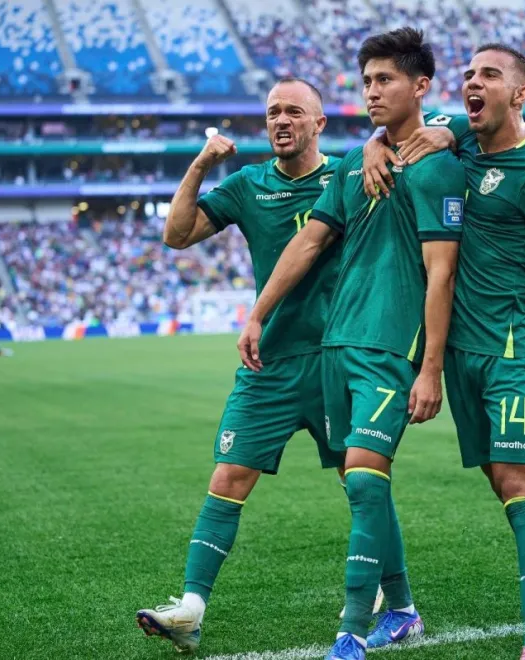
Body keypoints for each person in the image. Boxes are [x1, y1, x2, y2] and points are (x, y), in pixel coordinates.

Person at [235, 28, 464, 660]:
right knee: (363, 481)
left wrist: (432, 368)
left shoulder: (441, 165)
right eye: (365, 81)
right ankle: (405, 610)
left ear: (419, 86)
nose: (371, 92)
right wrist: (258, 314)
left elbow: (440, 271)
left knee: (363, 481)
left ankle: (352, 631)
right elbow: (306, 243)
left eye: (384, 79)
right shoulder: (354, 167)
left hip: (392, 350)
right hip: (338, 347)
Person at [363, 43, 525, 660]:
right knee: (503, 482)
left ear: (519, 94)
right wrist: (372, 146)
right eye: (468, 74)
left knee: (522, 481)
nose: (472, 82)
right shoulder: (456, 139)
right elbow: (401, 131)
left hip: (514, 347)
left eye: (489, 74)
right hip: (460, 349)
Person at [135, 78, 346, 654]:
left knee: (364, 482)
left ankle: (395, 600)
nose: (281, 120)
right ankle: (191, 609)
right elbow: (176, 235)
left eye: (294, 111)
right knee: (228, 477)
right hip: (268, 363)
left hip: (336, 359)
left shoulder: (348, 175)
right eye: (273, 111)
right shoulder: (249, 185)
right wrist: (201, 163)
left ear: (319, 123)